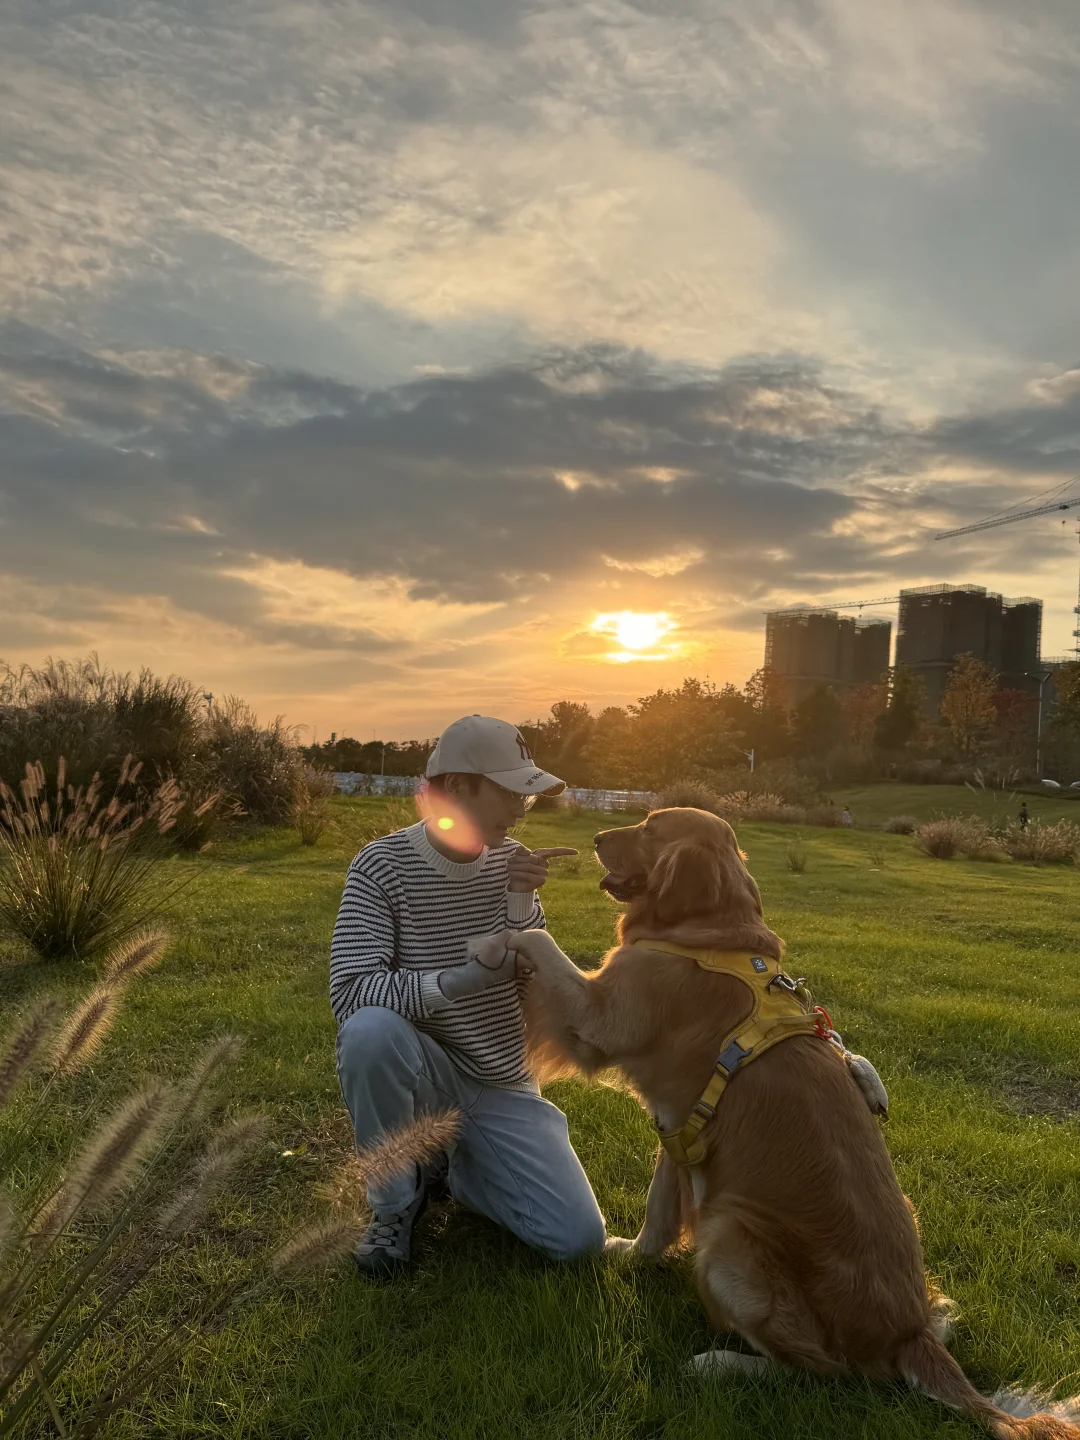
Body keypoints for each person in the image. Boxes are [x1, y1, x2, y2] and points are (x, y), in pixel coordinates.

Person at [331, 714, 607, 1277]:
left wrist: (520, 903)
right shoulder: (381, 866)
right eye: (509, 793)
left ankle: (455, 1167)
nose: (520, 810)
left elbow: (527, 984)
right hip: (424, 1070)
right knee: (369, 1033)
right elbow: (352, 992)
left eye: (525, 797)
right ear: (457, 787)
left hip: (501, 1079)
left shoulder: (511, 861)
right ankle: (395, 1205)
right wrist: (459, 982)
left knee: (577, 1240)